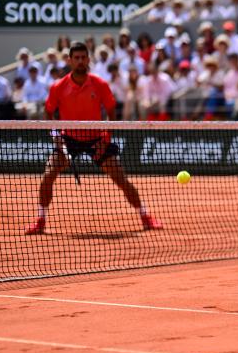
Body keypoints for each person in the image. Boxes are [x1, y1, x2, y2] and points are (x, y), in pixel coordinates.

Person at [24, 42, 162, 235]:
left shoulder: (100, 84)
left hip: (96, 138)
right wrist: (56, 137)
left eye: (83, 57)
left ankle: (145, 216)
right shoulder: (58, 87)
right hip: (69, 138)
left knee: (121, 178)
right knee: (48, 175)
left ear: (88, 60)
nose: (80, 61)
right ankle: (41, 219)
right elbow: (48, 114)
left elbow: (112, 112)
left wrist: (105, 138)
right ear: (70, 61)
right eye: (76, 58)